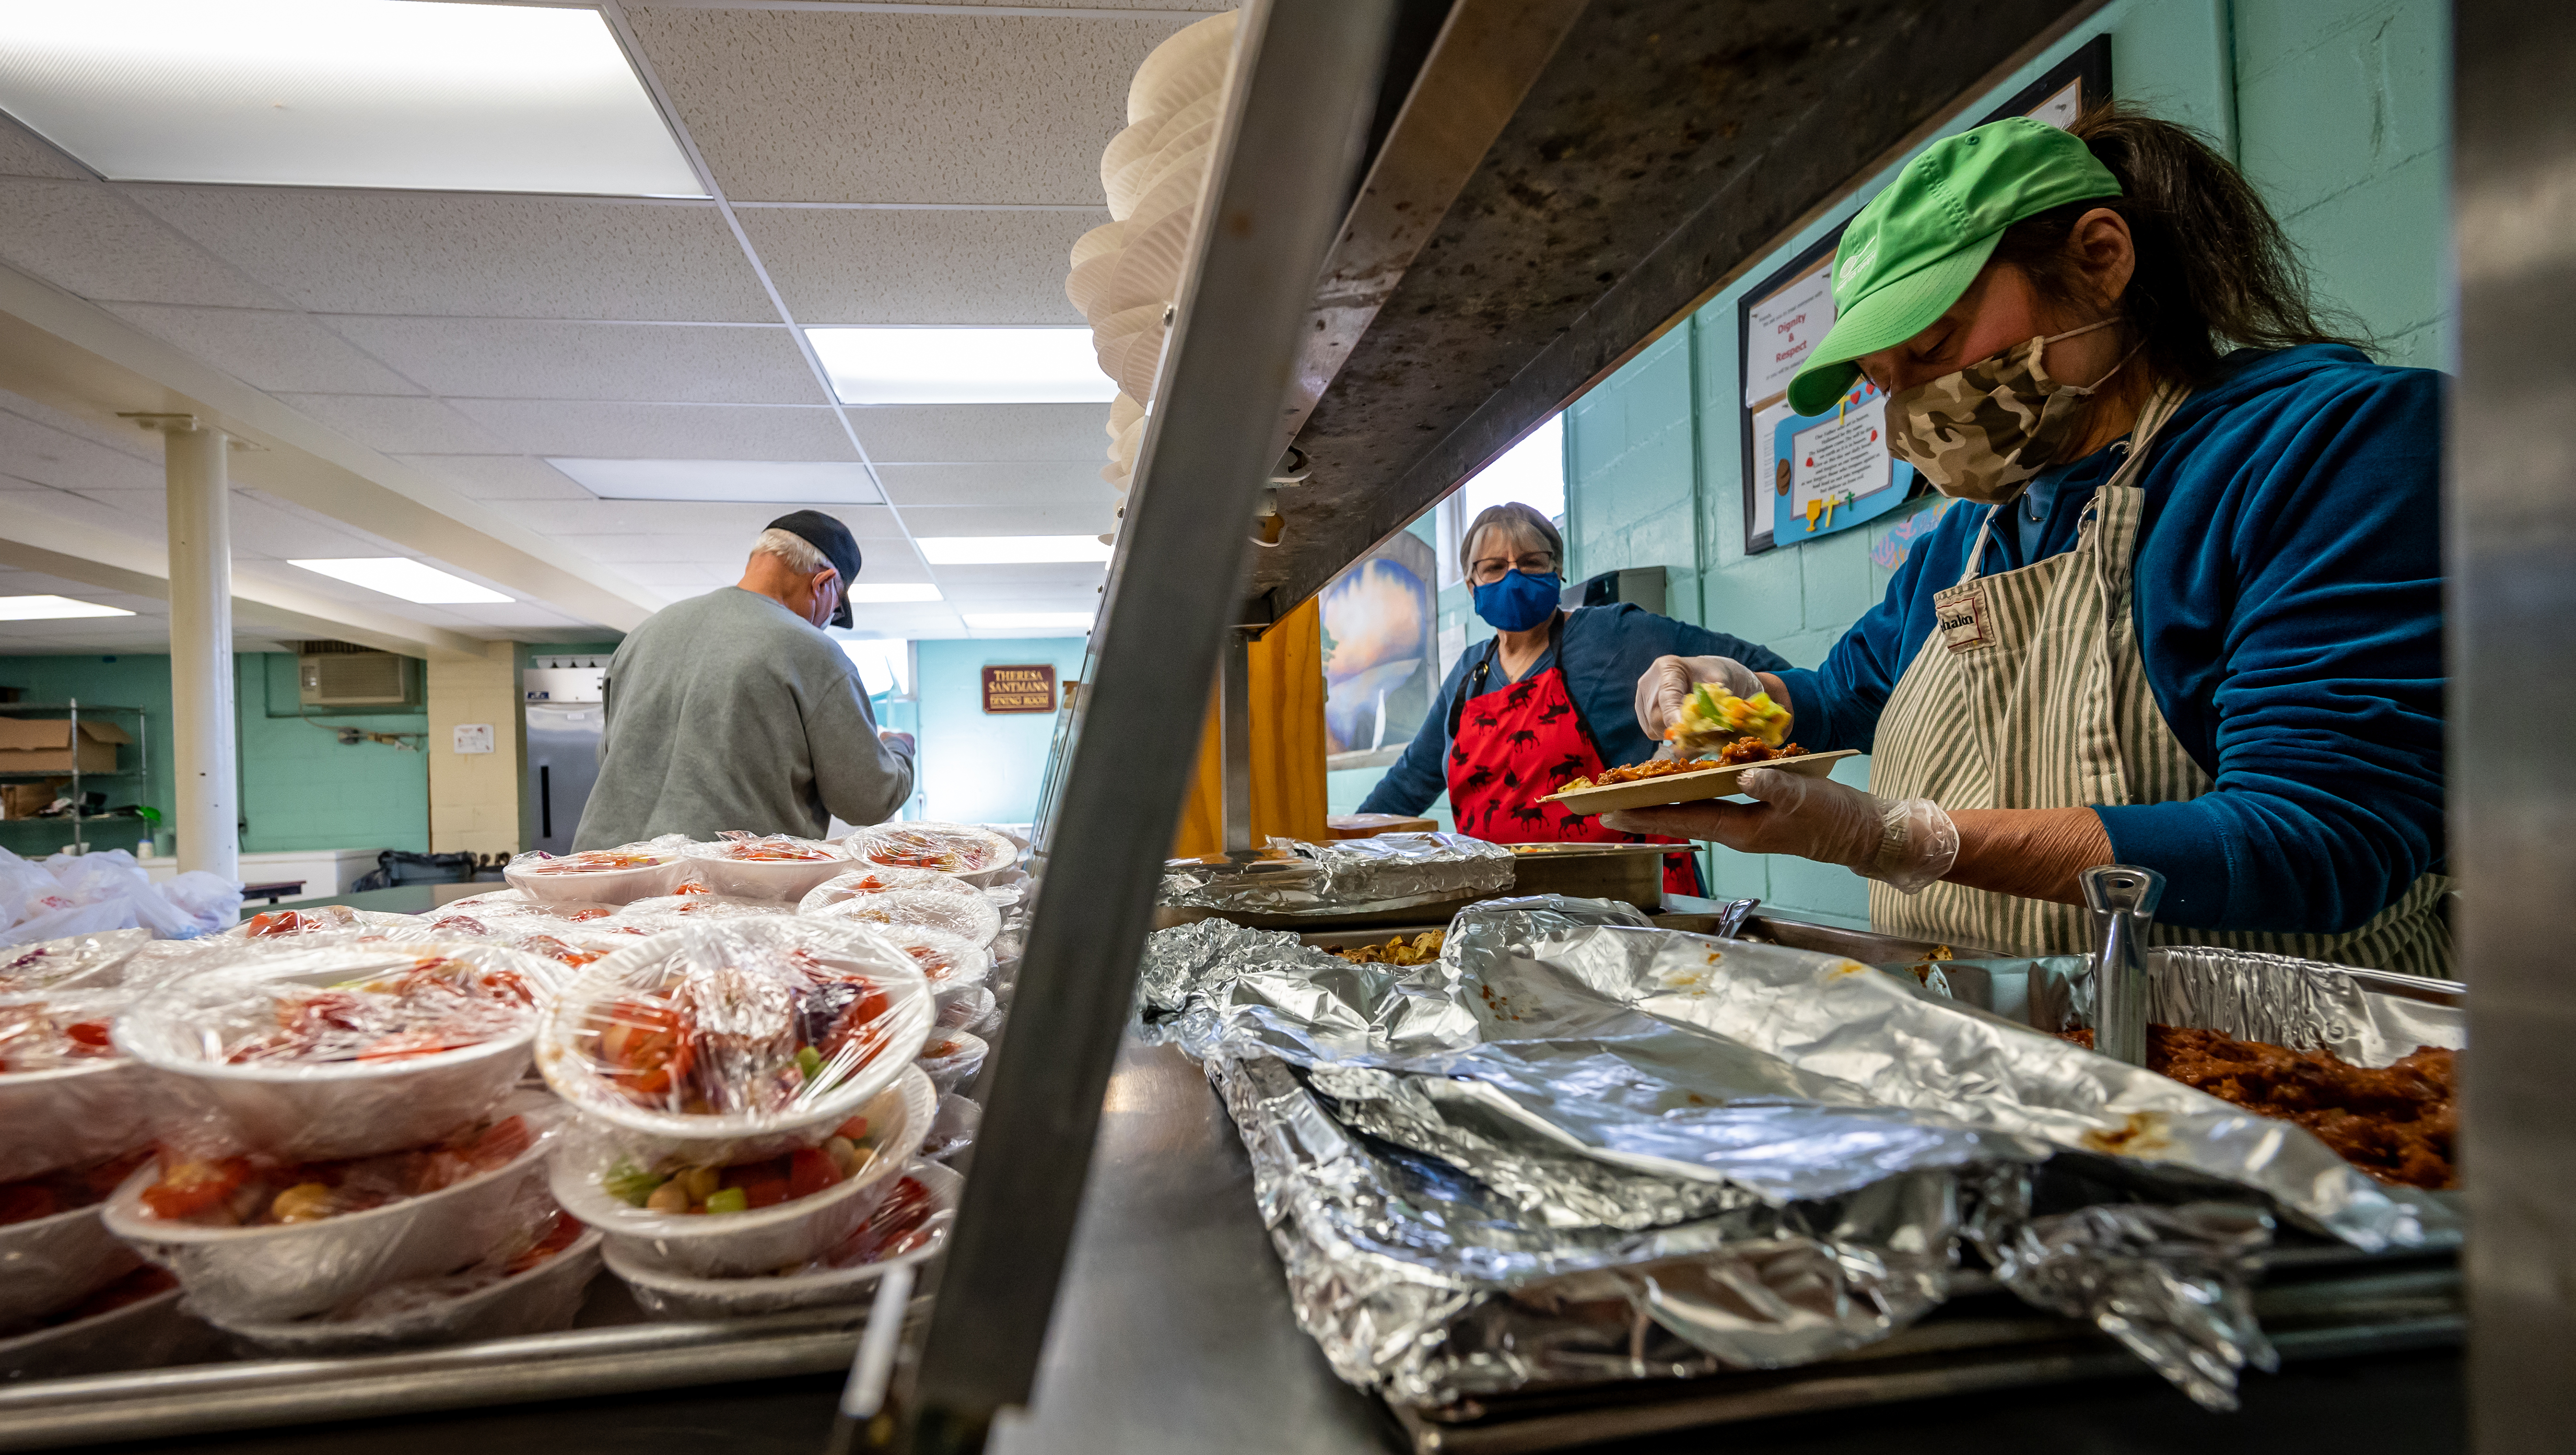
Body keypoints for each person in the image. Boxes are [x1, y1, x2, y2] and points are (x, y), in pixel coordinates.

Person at [1608, 108, 2450, 974]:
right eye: (1882, 386)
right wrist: (1738, 695)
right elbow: (1843, 694)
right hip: (2021, 1055)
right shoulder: (1974, 535)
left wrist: (1900, 837)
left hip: (2273, 1072)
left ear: (2100, 259)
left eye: (1933, 347)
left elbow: (2321, 838)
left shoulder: (2330, 450)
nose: (1909, 422)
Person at [1356, 501, 1790, 894]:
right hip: (1505, 908)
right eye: (1493, 567)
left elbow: (1759, 668)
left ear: (1557, 572)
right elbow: (1407, 784)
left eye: (1531, 562)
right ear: (1472, 586)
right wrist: (1338, 848)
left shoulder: (1613, 636)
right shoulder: (1469, 676)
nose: (1513, 576)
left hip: (1629, 898)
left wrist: (1713, 723)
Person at [573, 510, 916, 849]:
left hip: (602, 875)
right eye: (835, 611)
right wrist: (898, 747)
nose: (826, 622)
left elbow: (612, 759)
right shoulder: (812, 652)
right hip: (718, 889)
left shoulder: (642, 636)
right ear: (823, 583)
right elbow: (866, 800)